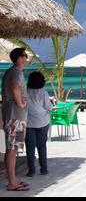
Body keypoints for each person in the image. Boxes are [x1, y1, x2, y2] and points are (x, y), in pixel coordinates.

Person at [1, 47, 30, 191]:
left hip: (14, 116)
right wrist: (20, 103)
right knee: (12, 149)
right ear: (19, 58)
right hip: (15, 117)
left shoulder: (14, 72)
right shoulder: (16, 73)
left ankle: (13, 179)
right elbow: (15, 88)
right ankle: (12, 182)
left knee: (13, 148)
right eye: (25, 55)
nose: (27, 58)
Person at [25, 71, 53, 177]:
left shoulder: (25, 91)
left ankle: (31, 170)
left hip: (29, 122)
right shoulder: (43, 92)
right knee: (42, 146)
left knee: (30, 147)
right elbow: (49, 107)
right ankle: (44, 169)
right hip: (43, 121)